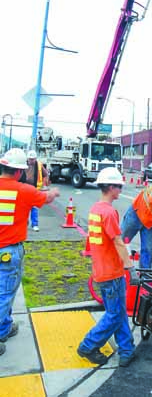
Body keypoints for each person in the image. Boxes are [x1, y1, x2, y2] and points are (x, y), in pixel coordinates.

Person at [0, 148, 60, 356]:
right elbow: (47, 198)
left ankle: (5, 326)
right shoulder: (24, 190)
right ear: (18, 172)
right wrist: (54, 191)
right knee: (5, 295)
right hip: (8, 251)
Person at [77, 167, 139, 367]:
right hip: (111, 272)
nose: (120, 190)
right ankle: (88, 345)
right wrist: (130, 267)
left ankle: (127, 350)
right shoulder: (109, 212)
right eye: (119, 186)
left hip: (102, 269)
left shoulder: (95, 209)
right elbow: (118, 242)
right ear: (110, 187)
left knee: (118, 311)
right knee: (114, 315)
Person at [25, 150, 49, 232]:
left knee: (34, 208)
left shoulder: (39, 165)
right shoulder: (23, 165)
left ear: (35, 159)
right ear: (27, 158)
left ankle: (35, 225)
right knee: (24, 208)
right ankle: (24, 224)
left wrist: (45, 185)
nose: (31, 161)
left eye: (33, 159)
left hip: (35, 190)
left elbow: (45, 175)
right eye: (30, 159)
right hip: (24, 189)